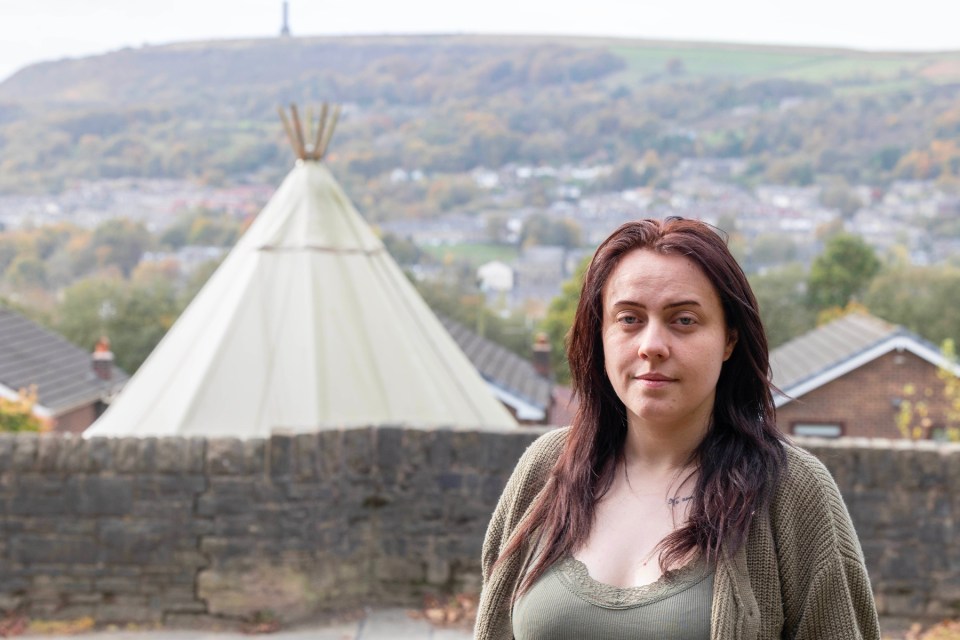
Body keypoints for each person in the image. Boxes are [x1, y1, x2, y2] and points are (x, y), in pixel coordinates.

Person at [474, 218, 880, 639]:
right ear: (600, 335)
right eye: (629, 319)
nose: (651, 345)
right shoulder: (545, 471)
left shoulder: (790, 491)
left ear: (729, 340)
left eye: (683, 320)